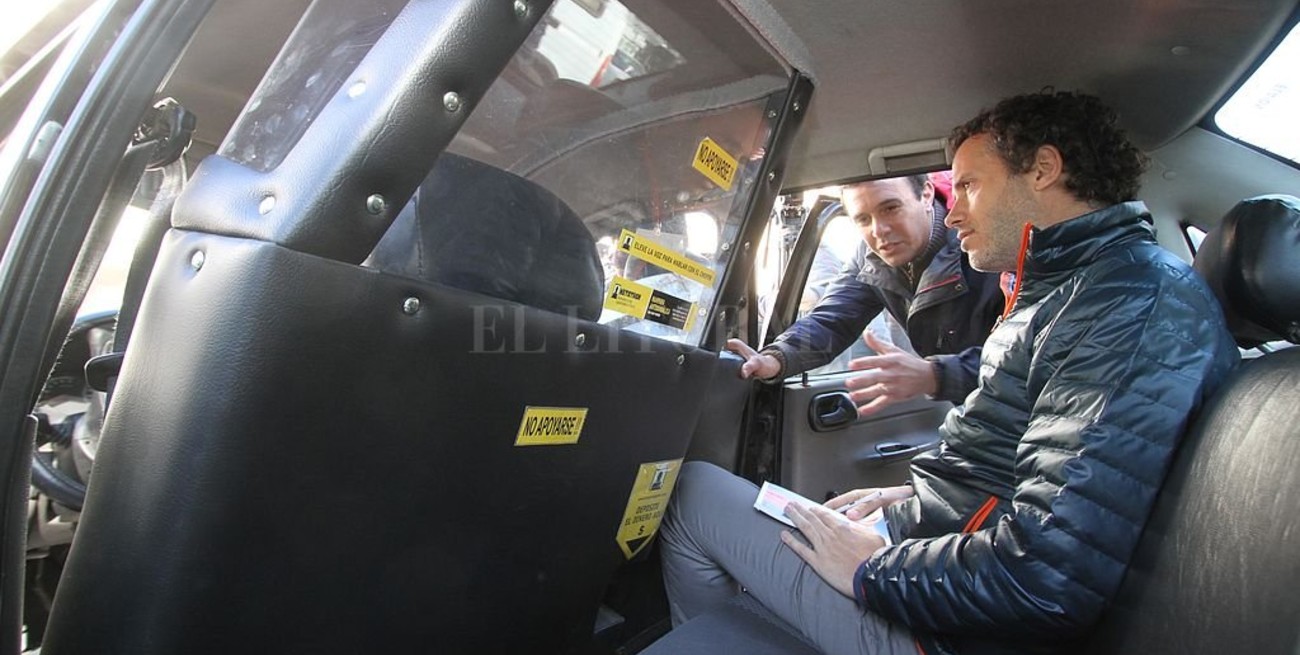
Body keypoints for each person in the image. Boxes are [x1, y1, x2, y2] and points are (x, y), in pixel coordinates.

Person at [654, 91, 1240, 655]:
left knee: (692, 491)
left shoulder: (1125, 305)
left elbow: (1042, 576)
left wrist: (869, 568)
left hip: (951, 631)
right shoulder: (1078, 291)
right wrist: (911, 500)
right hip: (947, 568)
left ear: (1042, 169)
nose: (953, 208)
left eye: (967, 185)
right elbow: (1023, 471)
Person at [728, 173, 1004, 416]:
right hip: (976, 412)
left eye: (891, 208)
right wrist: (775, 358)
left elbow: (1027, 357)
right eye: (862, 218)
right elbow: (832, 320)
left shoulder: (985, 248)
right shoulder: (870, 257)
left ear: (926, 194)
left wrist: (936, 375)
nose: (878, 231)